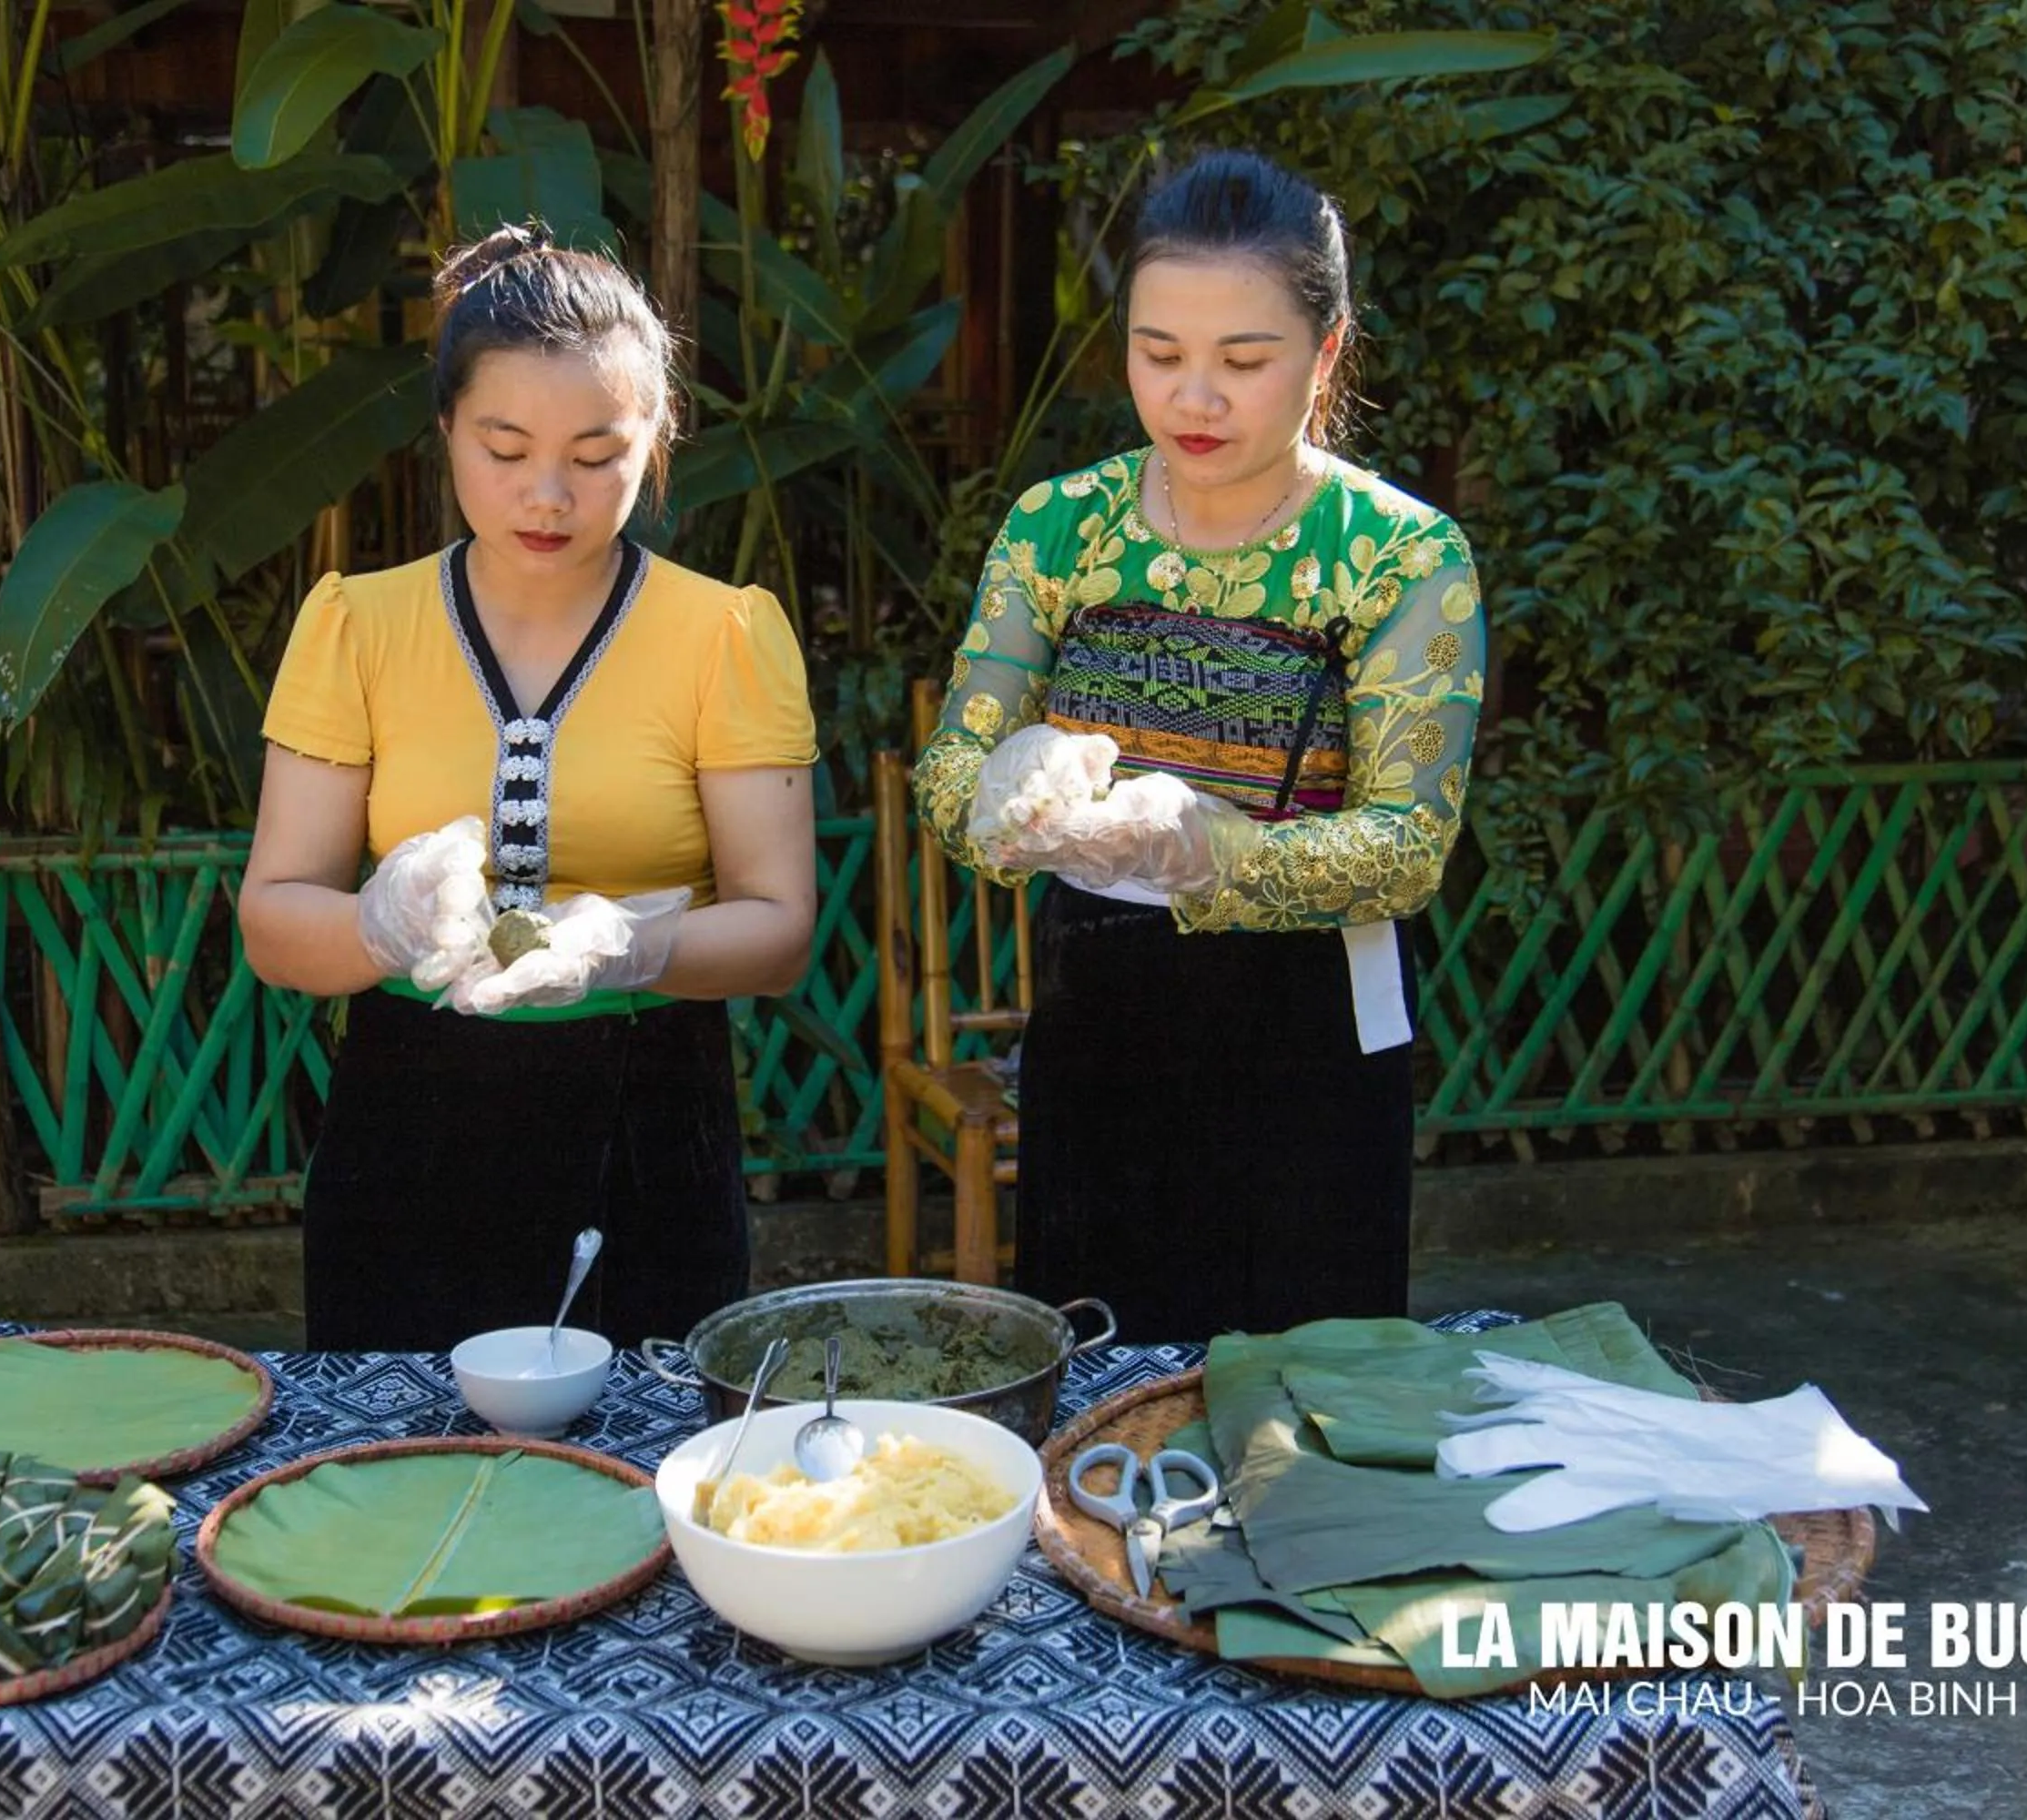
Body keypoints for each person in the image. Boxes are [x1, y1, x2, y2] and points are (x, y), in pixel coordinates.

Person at [913, 149, 1485, 1340]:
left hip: (1312, 1037)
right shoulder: (1059, 527)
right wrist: (1005, 789)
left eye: (1244, 361)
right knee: (1102, 1382)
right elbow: (952, 777)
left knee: (1301, 1391)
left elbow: (1407, 848)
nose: (1195, 399)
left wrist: (1204, 849)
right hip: (1100, 1016)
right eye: (1159, 354)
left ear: (1326, 353)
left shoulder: (1400, 554)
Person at [241, 224, 818, 1352]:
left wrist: (628, 945)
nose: (547, 494)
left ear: (656, 438)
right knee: (406, 1442)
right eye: (504, 449)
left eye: (597, 455)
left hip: (650, 1130)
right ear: (447, 429)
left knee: (642, 1445)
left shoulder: (725, 635)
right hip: (407, 1128)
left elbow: (779, 928)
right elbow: (272, 918)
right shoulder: (356, 625)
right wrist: (376, 923)